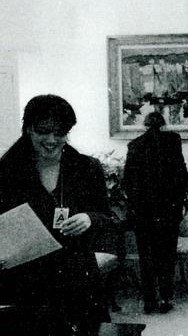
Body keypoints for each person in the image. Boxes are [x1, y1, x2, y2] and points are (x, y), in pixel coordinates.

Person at [0, 94, 112, 334]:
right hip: (26, 280)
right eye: (43, 131)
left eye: (59, 133)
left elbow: (108, 217)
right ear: (28, 129)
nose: (52, 140)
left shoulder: (86, 168)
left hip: (76, 275)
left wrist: (89, 218)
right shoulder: (7, 170)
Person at [122, 111, 188, 314]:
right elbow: (181, 173)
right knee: (166, 256)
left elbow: (127, 181)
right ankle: (166, 299)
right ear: (162, 124)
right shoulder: (173, 141)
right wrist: (182, 199)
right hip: (169, 209)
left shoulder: (134, 145)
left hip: (144, 211)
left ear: (145, 125)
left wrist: (135, 204)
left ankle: (149, 301)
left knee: (146, 257)